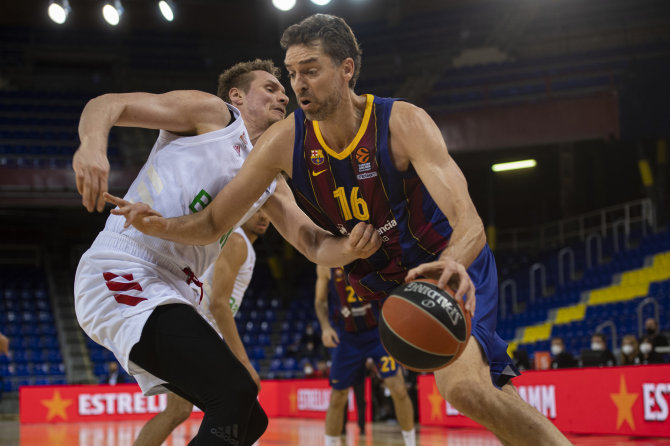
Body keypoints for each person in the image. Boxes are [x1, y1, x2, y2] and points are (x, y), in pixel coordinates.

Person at [106, 14, 573, 445]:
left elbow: (470, 221)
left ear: (346, 68)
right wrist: (161, 224)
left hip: (442, 268)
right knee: (487, 394)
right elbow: (214, 222)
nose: (298, 85)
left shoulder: (402, 122)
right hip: (379, 288)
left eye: (310, 70)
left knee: (465, 389)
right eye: (292, 73)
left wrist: (450, 264)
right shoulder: (283, 143)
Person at [73, 58, 381, 446]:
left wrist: (351, 246)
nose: (283, 93)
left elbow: (313, 243)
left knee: (249, 418)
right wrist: (92, 148)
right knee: (233, 394)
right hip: (126, 264)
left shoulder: (268, 175)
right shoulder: (214, 116)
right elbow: (106, 104)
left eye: (282, 90)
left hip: (176, 288)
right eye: (269, 87)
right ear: (237, 96)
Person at [134, 210, 269, 446]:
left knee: (177, 412)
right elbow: (218, 304)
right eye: (256, 210)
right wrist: (244, 361)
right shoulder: (237, 240)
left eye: (266, 211)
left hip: (193, 327)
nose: (262, 216)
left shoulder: (240, 242)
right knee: (242, 408)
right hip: (199, 328)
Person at [315, 265, 415, 446]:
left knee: (398, 389)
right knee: (338, 396)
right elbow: (320, 301)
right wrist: (325, 327)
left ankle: (411, 443)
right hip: (346, 336)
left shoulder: (368, 251)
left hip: (377, 333)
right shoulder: (324, 263)